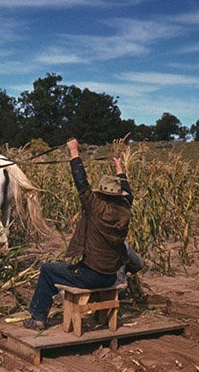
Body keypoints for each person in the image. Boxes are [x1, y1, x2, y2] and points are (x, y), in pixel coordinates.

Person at [23, 138, 133, 331]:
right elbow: (128, 192)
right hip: (111, 276)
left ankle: (38, 318)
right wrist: (119, 167)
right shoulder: (125, 209)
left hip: (92, 275)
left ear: (101, 194)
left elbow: (80, 182)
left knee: (48, 270)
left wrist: (74, 152)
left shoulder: (95, 207)